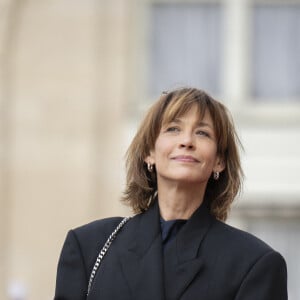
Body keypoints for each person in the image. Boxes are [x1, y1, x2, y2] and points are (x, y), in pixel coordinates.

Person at [54, 87, 287, 300]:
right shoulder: (88, 247)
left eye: (203, 133)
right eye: (173, 129)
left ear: (219, 161)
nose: (186, 141)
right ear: (149, 153)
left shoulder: (255, 263)